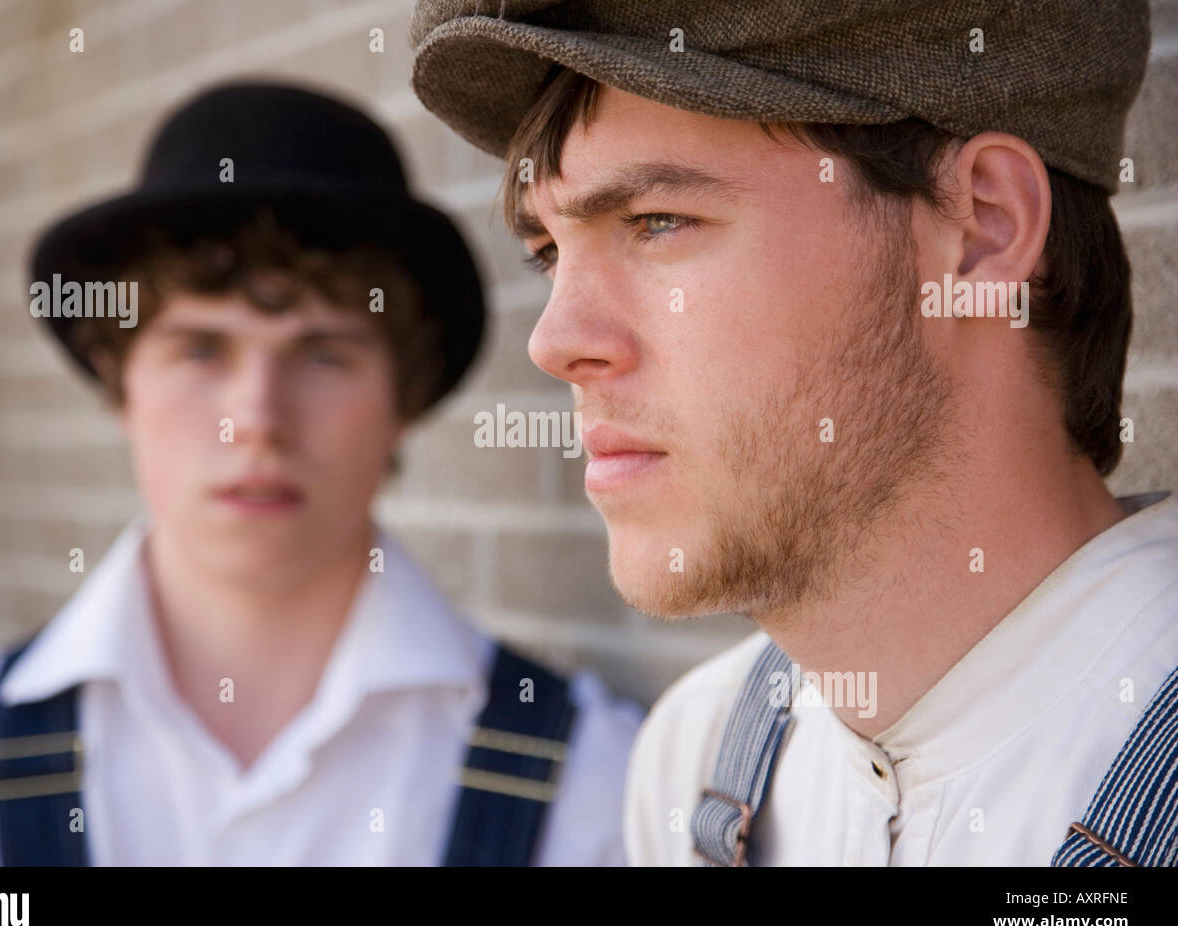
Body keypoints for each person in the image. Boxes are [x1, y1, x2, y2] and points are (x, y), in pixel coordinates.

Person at [409, 1, 1178, 865]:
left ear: (983, 231)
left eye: (657, 221)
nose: (554, 343)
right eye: (550, 251)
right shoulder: (694, 761)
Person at [0, 81, 642, 866]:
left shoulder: (595, 786)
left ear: (401, 399)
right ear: (122, 387)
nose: (257, 417)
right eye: (201, 350)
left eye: (322, 354)